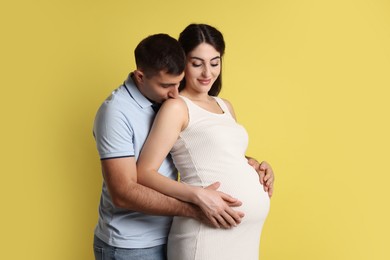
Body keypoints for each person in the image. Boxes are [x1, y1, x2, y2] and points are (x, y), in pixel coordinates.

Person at [93, 33, 274, 260]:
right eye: (197, 63)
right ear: (140, 77)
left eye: (215, 62)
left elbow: (208, 150)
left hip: (170, 231)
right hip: (132, 243)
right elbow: (124, 191)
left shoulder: (174, 101)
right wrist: (194, 205)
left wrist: (253, 165)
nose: (174, 93)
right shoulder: (117, 112)